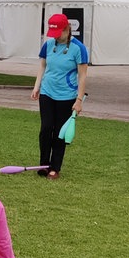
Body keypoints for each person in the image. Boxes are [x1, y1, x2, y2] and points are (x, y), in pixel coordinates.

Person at [31, 13, 88, 180]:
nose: (55, 37)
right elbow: (42, 66)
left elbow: (82, 76)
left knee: (59, 133)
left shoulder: (79, 48)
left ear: (67, 29)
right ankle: (44, 164)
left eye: (58, 33)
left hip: (67, 96)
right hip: (47, 93)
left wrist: (79, 100)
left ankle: (55, 167)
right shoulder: (48, 45)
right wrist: (36, 86)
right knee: (46, 128)